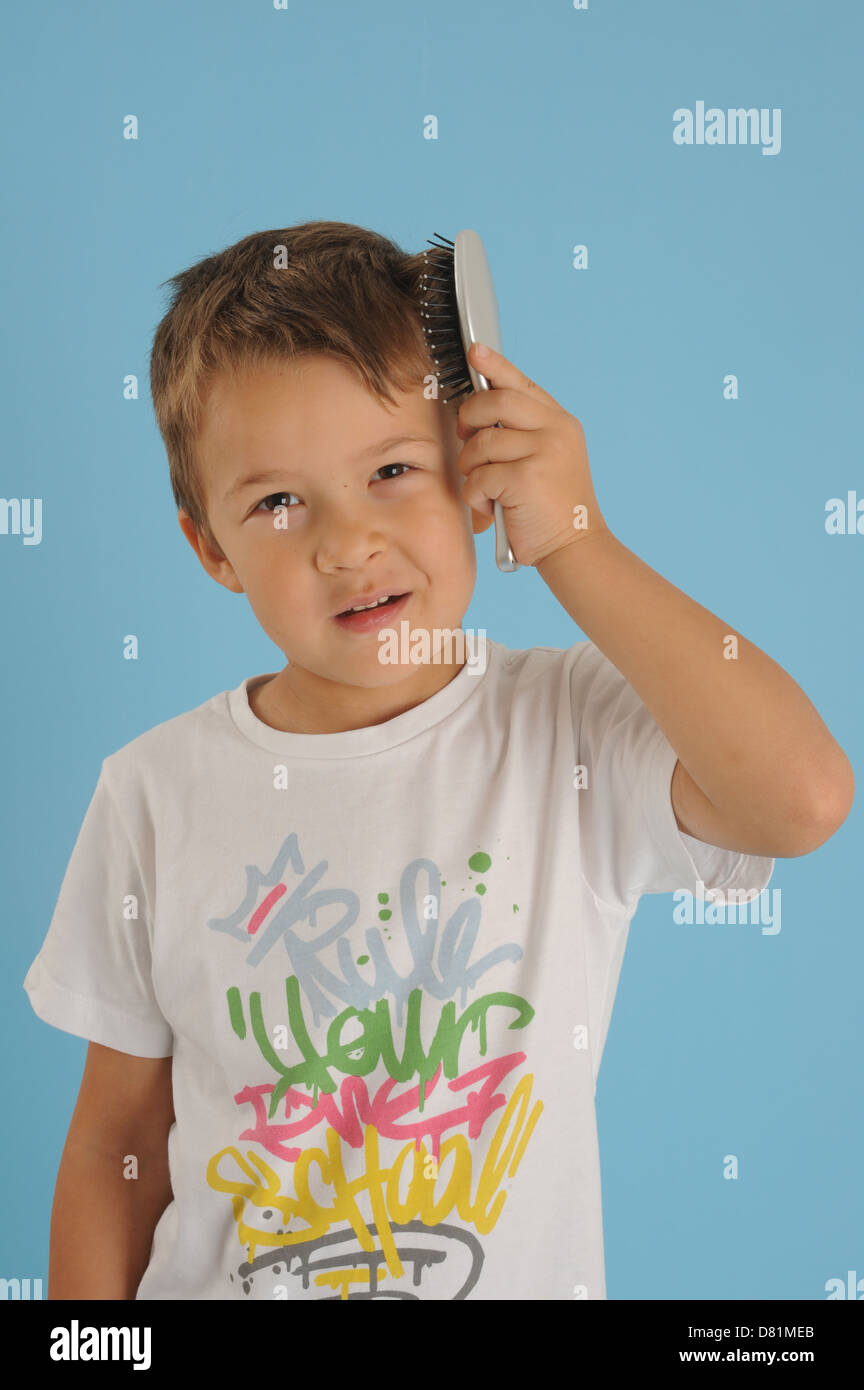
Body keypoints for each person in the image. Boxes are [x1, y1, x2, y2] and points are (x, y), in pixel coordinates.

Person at [23, 221, 853, 1301]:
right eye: (279, 501)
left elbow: (802, 798)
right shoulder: (150, 793)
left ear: (476, 465)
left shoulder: (567, 730)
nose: (346, 541)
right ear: (211, 547)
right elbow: (113, 1149)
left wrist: (577, 539)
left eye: (393, 469)